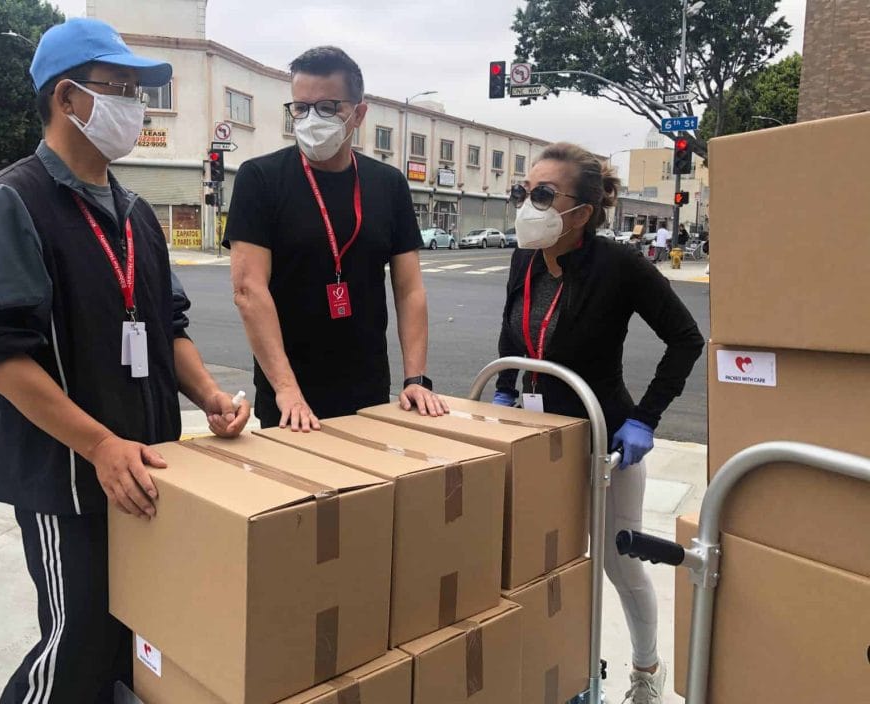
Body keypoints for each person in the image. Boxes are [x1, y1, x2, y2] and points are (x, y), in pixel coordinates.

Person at [0, 18, 250, 703]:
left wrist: (209, 396)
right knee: (77, 641)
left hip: (144, 470)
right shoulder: (11, 202)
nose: (136, 109)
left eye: (139, 93)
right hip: (67, 479)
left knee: (130, 642)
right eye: (120, 90)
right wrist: (99, 445)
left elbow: (167, 327)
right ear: (67, 98)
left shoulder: (135, 214)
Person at [492, 143, 703, 704]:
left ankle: (646, 670)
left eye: (543, 195)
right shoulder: (524, 260)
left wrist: (645, 419)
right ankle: (565, 669)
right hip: (537, 442)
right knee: (545, 563)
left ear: (581, 212)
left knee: (619, 561)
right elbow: (513, 332)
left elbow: (686, 340)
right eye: (522, 192)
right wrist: (507, 386)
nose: (527, 205)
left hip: (605, 441)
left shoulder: (619, 266)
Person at [224, 46, 446, 431]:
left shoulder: (388, 184)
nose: (312, 119)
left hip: (368, 389)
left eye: (328, 108)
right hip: (289, 398)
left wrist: (415, 378)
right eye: (301, 108)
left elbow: (409, 289)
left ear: (359, 114)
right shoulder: (260, 179)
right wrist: (286, 389)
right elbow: (248, 290)